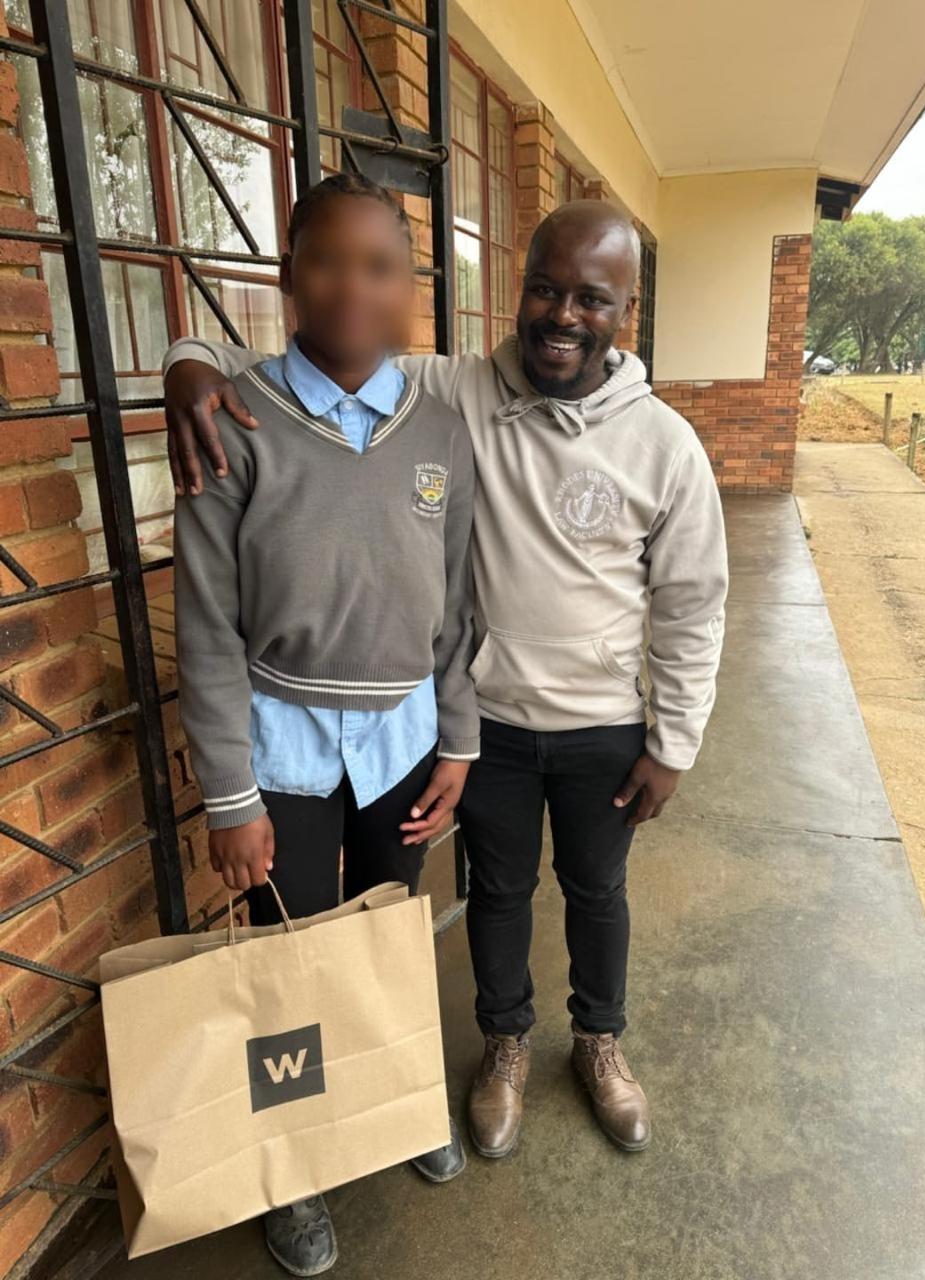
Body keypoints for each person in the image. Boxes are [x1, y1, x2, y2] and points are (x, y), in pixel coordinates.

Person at [166, 199, 728, 1165]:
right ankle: (491, 1050)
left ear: (626, 312)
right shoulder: (454, 391)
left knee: (588, 891)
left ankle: (595, 1042)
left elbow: (692, 605)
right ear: (517, 293)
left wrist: (673, 742)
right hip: (478, 726)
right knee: (483, 895)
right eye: (544, 290)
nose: (563, 315)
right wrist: (185, 361)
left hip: (592, 724)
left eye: (591, 299)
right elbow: (321, 347)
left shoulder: (659, 444)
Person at [173, 173, 478, 1277]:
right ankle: (295, 1163)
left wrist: (458, 739)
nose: (355, 286)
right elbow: (206, 623)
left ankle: (396, 1101)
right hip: (284, 754)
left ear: (409, 286)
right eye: (328, 260)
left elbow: (459, 600)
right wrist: (230, 795)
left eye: (381, 266)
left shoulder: (439, 429)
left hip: (401, 746)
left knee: (387, 937)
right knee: (289, 956)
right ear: (289, 273)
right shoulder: (237, 419)